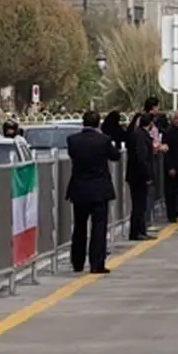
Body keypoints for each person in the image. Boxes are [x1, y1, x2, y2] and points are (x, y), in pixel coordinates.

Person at [65, 110, 120, 274]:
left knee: (79, 226)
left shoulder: (73, 140)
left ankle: (77, 262)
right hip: (99, 189)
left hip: (79, 189)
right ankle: (96, 264)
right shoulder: (103, 140)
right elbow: (115, 156)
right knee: (99, 227)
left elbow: (72, 155)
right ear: (98, 124)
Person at [124, 108, 156, 241]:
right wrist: (147, 175)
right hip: (138, 176)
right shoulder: (141, 136)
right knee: (139, 205)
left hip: (136, 175)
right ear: (150, 123)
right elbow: (142, 157)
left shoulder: (138, 134)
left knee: (140, 204)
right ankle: (137, 232)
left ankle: (140, 230)